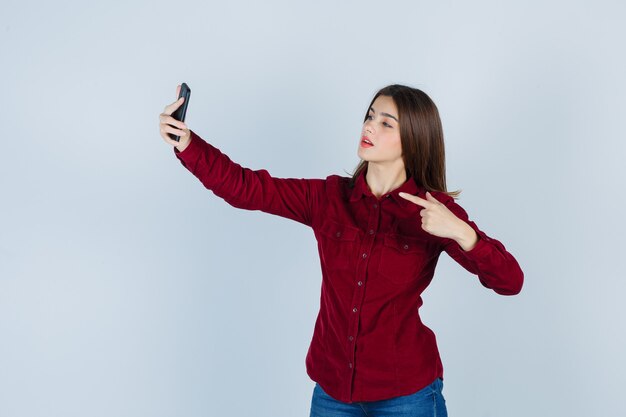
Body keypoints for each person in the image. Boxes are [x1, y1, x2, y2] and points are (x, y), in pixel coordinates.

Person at [159, 83, 524, 417]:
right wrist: (188, 144)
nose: (369, 127)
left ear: (413, 140)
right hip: (332, 392)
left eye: (386, 123)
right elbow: (247, 188)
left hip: (407, 396)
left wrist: (462, 233)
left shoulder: (435, 212)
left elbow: (510, 281)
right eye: (369, 116)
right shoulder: (329, 197)